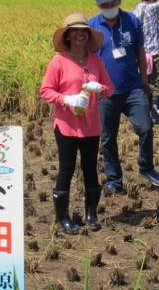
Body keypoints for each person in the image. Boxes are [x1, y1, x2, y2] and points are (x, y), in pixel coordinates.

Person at [40, 13, 115, 235]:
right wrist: (66, 99)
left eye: (84, 31)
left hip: (91, 125)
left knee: (91, 169)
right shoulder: (59, 61)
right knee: (66, 169)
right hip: (66, 124)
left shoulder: (96, 60)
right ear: (68, 36)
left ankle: (91, 213)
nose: (80, 35)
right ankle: (63, 217)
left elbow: (110, 88)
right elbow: (45, 90)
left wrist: (99, 88)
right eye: (75, 31)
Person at [88, 0, 159, 191]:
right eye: (103, 4)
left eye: (112, 2)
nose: (108, 6)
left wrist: (144, 79)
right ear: (98, 5)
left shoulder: (132, 20)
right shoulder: (92, 26)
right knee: (107, 138)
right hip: (106, 91)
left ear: (120, 0)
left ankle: (146, 167)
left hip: (133, 87)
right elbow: (87, 59)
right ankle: (114, 180)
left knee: (146, 128)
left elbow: (140, 50)